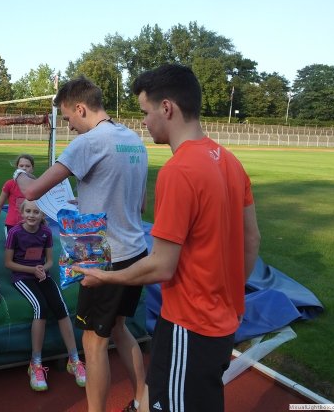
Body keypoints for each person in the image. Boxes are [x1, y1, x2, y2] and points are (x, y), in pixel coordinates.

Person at [77, 64, 261, 412]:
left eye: (145, 112)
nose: (144, 122)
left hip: (189, 325)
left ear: (167, 108)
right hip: (221, 321)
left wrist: (105, 276)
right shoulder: (230, 162)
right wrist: (227, 297)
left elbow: (162, 266)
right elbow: (252, 240)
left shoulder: (178, 171)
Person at [13, 76, 148, 412]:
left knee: (93, 341)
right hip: (136, 251)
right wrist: (86, 201)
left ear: (81, 108)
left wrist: (18, 174)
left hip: (104, 256)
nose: (69, 126)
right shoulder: (133, 139)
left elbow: (32, 191)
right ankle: (143, 401)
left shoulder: (89, 142)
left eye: (68, 118)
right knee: (119, 329)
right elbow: (140, 203)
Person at [4, 199, 86, 392]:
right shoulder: (15, 233)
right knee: (40, 306)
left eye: (36, 212)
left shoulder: (46, 232)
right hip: (22, 276)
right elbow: (8, 263)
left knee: (61, 306)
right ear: (22, 213)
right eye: (28, 211)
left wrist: (42, 269)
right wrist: (32, 270)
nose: (32, 215)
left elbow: (49, 260)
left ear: (42, 215)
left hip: (41, 275)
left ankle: (74, 359)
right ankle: (35, 363)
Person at [0, 154, 35, 242]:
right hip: (12, 225)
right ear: (17, 168)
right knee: (13, 249)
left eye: (27, 166)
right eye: (21, 166)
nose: (24, 168)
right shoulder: (10, 184)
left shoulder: (36, 185)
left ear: (32, 169)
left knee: (30, 249)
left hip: (31, 225)